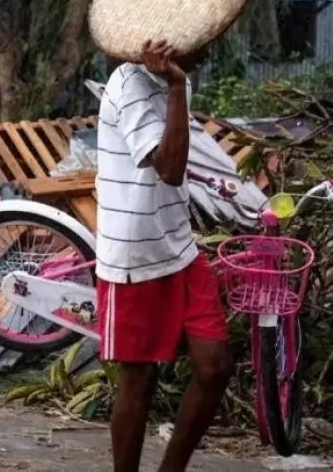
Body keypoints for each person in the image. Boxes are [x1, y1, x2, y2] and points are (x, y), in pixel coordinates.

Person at [95, 39, 232, 472]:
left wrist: (177, 85)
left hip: (179, 247)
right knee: (139, 380)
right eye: (199, 46)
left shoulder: (177, 82)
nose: (207, 55)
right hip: (133, 259)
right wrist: (176, 88)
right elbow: (170, 168)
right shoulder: (129, 83)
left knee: (215, 366)